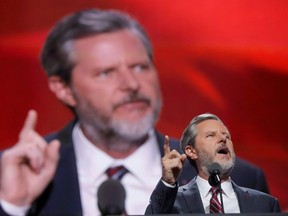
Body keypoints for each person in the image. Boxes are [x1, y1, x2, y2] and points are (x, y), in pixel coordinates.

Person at [0, 9, 269, 216]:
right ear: (63, 89)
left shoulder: (240, 178)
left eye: (140, 67)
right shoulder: (13, 178)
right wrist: (12, 207)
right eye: (106, 72)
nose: (131, 84)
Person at [145, 113, 281, 214]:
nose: (223, 139)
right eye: (211, 135)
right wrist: (167, 183)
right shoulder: (173, 202)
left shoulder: (266, 204)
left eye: (227, 136)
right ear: (191, 151)